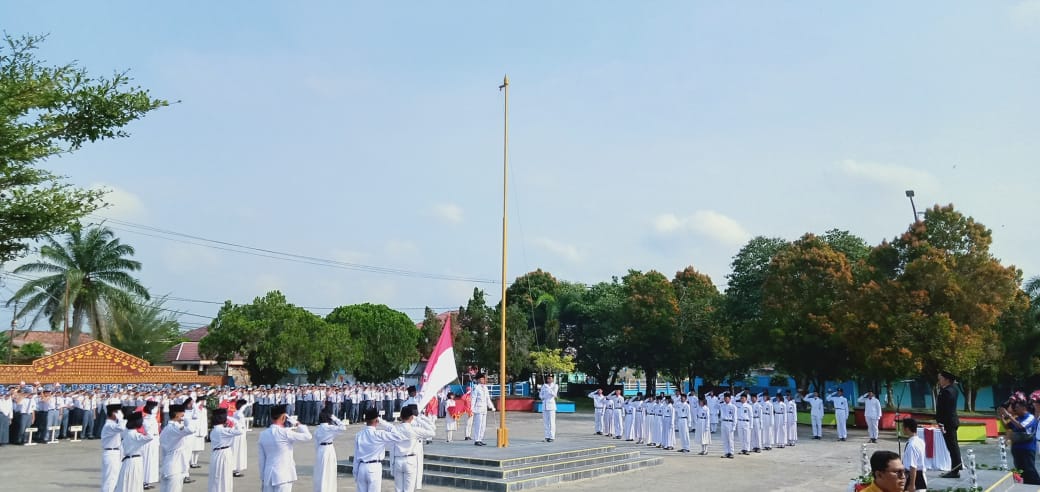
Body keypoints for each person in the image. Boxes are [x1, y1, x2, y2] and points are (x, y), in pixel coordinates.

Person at [258, 404, 313, 492]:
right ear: (284, 417)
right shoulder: (286, 432)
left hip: (268, 476)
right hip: (283, 475)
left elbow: (261, 460)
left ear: (271, 418)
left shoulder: (263, 434)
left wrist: (263, 477)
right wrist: (297, 423)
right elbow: (308, 436)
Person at [353, 408, 409, 492]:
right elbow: (399, 436)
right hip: (374, 467)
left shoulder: (359, 435)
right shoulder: (379, 434)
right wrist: (383, 422)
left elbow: (356, 456)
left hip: (361, 467)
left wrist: (355, 472)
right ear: (376, 420)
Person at [390, 405, 436, 492]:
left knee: (398, 489)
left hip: (398, 460)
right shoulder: (414, 430)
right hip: (410, 461)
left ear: (400, 417)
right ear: (411, 417)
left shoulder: (394, 430)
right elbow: (432, 432)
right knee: (409, 489)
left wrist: (391, 466)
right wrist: (419, 419)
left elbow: (392, 448)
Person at [999, 399, 1040, 485]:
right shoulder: (1017, 418)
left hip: (1027, 448)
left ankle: (1036, 485)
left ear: (1024, 408)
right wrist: (1001, 417)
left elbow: (1021, 426)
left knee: (1029, 469)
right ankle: (1026, 486)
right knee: (1020, 469)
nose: (1015, 409)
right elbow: (1007, 427)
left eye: (1017, 407)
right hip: (1016, 447)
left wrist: (1009, 415)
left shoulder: (1030, 417)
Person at [159, 403, 195, 492]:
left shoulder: (167, 428)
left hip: (168, 466)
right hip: (175, 468)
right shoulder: (174, 428)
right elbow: (191, 429)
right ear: (177, 415)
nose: (183, 415)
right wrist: (187, 419)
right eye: (182, 413)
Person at [115, 411, 154, 492]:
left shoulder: (127, 432)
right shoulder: (134, 435)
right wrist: (145, 424)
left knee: (128, 484)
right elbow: (150, 437)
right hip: (134, 462)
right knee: (134, 484)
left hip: (130, 461)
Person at [208, 408, 243, 492]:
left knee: (216, 477)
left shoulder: (215, 430)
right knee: (225, 476)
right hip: (223, 454)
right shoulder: (222, 430)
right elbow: (240, 431)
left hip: (216, 454)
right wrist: (232, 419)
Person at [312, 408, 347, 492]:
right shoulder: (329, 428)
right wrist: (334, 418)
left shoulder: (317, 430)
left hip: (321, 450)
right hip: (329, 449)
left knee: (321, 472)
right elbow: (343, 427)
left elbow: (316, 444)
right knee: (330, 471)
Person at [936, 371, 962, 478]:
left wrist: (941, 422)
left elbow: (945, 409)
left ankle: (955, 470)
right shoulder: (951, 390)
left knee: (952, 446)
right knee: (952, 446)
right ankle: (955, 468)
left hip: (948, 422)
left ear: (947, 379)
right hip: (949, 421)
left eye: (941, 378)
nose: (939, 381)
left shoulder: (947, 391)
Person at [100, 403, 124, 492]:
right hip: (111, 454)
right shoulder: (109, 425)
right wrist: (120, 418)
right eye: (118, 412)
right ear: (114, 413)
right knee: (110, 480)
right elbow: (122, 427)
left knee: (113, 479)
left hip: (114, 453)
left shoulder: (112, 425)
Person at [901, 418, 927, 492]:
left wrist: (912, 484)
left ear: (907, 428)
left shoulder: (912, 445)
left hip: (914, 478)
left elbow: (913, 467)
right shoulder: (920, 441)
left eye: (903, 427)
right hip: (920, 474)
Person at [229, 398, 252, 478]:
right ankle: (236, 470)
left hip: (240, 434)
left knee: (238, 451)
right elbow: (239, 414)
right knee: (238, 452)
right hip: (238, 435)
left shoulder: (237, 413)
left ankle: (236, 469)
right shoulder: (238, 413)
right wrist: (244, 406)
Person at [471, 374, 495, 446]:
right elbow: (473, 399)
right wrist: (471, 409)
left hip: (484, 408)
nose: (483, 380)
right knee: (478, 425)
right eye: (481, 379)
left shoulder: (485, 388)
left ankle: (480, 439)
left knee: (483, 425)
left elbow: (488, 399)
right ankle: (477, 440)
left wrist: (491, 406)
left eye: (483, 379)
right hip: (478, 408)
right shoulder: (476, 388)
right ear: (478, 380)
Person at [539, 375, 558, 442]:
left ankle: (552, 437)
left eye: (550, 378)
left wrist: (549, 389)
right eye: (548, 378)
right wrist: (542, 396)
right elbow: (540, 394)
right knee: (546, 422)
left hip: (551, 405)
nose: (549, 379)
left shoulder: (555, 386)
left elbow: (554, 395)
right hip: (544, 405)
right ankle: (547, 436)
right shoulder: (544, 386)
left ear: (552, 379)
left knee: (552, 422)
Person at [719, 392, 736, 459]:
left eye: (727, 398)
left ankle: (731, 452)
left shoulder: (733, 407)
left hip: (730, 423)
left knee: (730, 439)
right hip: (723, 422)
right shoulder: (722, 405)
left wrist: (734, 426)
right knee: (725, 439)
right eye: (724, 398)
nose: (725, 399)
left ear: (730, 398)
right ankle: (726, 452)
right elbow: (716, 404)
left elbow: (735, 417)